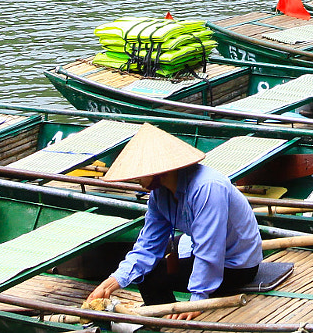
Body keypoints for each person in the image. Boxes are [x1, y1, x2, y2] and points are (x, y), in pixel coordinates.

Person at [84, 125, 265, 315]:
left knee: (151, 277)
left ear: (159, 170)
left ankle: (176, 323)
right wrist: (113, 282)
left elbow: (210, 250)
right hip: (201, 248)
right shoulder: (159, 195)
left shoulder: (208, 188)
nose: (136, 178)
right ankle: (167, 318)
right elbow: (148, 245)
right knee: (146, 270)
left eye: (140, 171)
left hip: (238, 264)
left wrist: (197, 302)